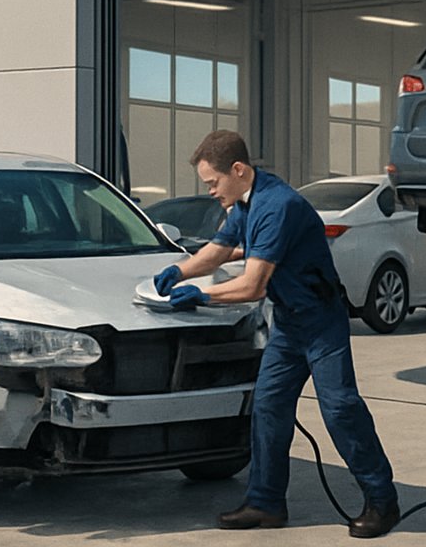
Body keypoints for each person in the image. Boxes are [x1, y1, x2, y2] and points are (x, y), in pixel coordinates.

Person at [154, 130, 401, 538]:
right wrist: (179, 271)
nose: (211, 191)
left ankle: (382, 501)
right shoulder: (245, 204)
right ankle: (266, 504)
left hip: (321, 321)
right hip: (288, 325)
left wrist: (200, 295)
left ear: (238, 170)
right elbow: (221, 247)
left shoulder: (276, 205)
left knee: (340, 409)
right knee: (268, 408)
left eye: (213, 183)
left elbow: (253, 286)